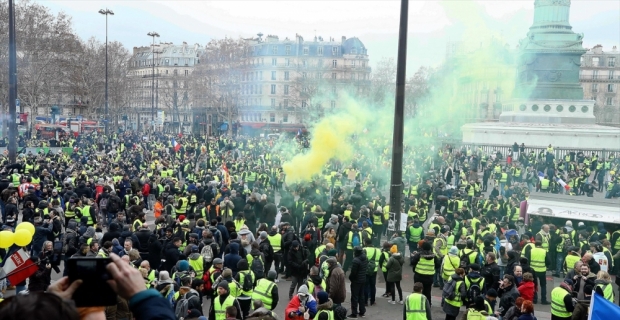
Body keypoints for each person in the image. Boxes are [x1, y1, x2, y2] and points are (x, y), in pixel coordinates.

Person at [348, 246, 368, 318]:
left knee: (354, 297)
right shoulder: (365, 258)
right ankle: (362, 311)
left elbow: (353, 272)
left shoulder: (355, 260)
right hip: (363, 279)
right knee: (361, 296)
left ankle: (354, 313)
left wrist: (350, 278)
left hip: (356, 281)